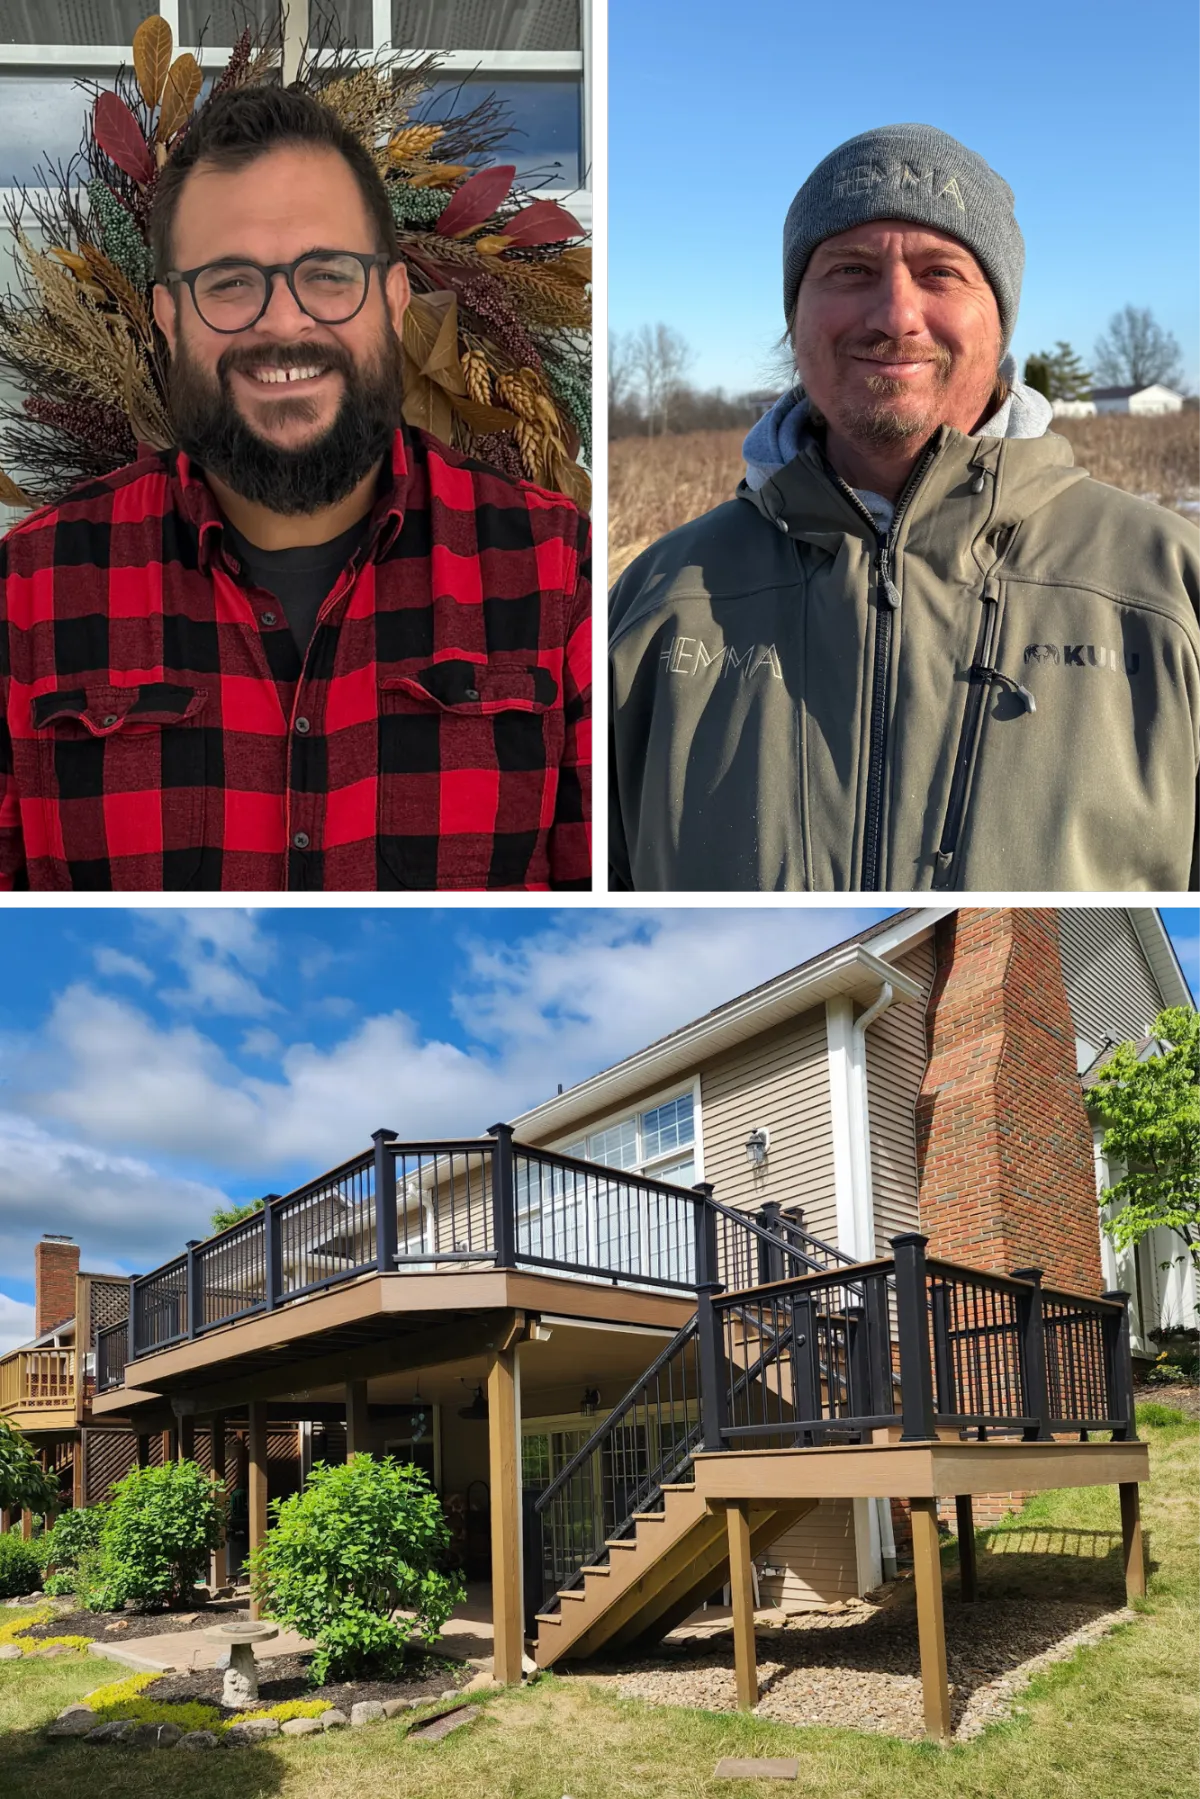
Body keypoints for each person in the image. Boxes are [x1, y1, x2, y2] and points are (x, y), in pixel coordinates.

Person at [0, 85, 592, 896]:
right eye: (231, 283)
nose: (283, 324)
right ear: (170, 318)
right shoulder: (28, 592)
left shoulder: (556, 570)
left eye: (326, 274)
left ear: (391, 299)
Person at [607, 123, 1200, 896]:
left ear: (1000, 321)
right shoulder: (660, 599)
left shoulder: (1166, 586)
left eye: (940, 272)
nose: (894, 313)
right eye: (849, 270)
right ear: (796, 316)